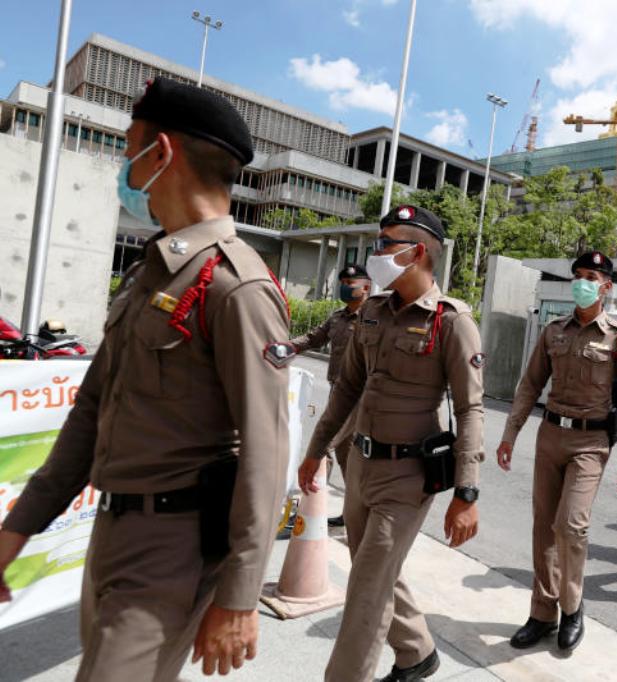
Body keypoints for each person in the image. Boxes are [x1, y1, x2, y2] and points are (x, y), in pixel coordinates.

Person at [0, 78, 291, 680]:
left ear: (160, 153)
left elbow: (266, 451)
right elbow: (91, 412)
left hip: (174, 551)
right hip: (111, 535)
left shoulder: (236, 285)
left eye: (128, 147)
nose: (123, 165)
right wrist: (18, 526)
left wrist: (239, 595)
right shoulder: (149, 274)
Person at [296, 204, 484, 682]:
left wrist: (466, 493)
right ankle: (418, 652)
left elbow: (469, 411)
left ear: (417, 253)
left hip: (407, 478)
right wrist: (316, 451)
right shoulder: (374, 312)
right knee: (373, 568)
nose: (375, 253)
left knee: (365, 594)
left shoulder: (452, 322)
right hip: (360, 466)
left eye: (386, 244)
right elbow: (347, 390)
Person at [498, 251, 617, 651]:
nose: (582, 282)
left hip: (591, 442)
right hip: (551, 436)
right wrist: (510, 434)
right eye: (577, 275)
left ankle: (573, 607)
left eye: (591, 276)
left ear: (606, 286)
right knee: (543, 527)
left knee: (570, 526)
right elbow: (530, 385)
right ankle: (542, 614)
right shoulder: (553, 331)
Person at [288, 263, 371, 527]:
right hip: (337, 390)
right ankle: (354, 514)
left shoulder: (374, 319)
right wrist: (288, 346)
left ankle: (307, 514)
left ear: (366, 287)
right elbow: (315, 337)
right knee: (348, 459)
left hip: (358, 396)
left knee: (322, 447)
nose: (345, 288)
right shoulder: (338, 317)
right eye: (342, 283)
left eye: (351, 284)